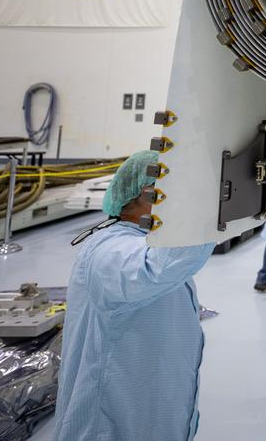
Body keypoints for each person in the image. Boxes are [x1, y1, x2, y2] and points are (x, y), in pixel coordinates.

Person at [52, 150, 215, 441]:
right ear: (147, 193)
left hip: (151, 413)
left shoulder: (144, 241)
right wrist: (206, 206)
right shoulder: (109, 251)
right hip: (110, 425)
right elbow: (158, 268)